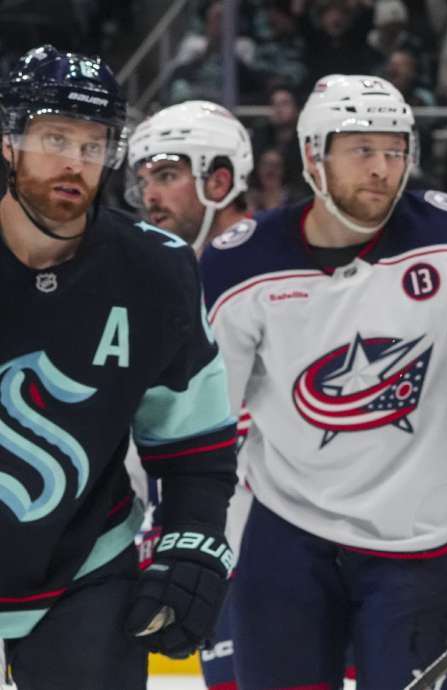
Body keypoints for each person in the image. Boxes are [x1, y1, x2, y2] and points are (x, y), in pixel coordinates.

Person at [201, 73, 447, 689]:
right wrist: (190, 529)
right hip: (288, 537)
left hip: (420, 546)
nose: (383, 168)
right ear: (314, 155)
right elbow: (203, 423)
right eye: (362, 150)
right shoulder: (240, 264)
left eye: (395, 150)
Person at [0, 44, 237, 687]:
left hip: (85, 566)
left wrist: (193, 541)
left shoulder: (154, 270)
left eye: (94, 144)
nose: (75, 162)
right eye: (54, 137)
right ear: (9, 140)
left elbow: (195, 445)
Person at [125, 98, 256, 690]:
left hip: (286, 545)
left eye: (168, 174)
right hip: (204, 540)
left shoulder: (274, 277)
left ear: (220, 179)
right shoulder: (148, 282)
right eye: (145, 177)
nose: (151, 193)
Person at [127, 100, 255, 251]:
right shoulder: (166, 267)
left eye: (167, 176)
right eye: (143, 182)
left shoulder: (274, 261)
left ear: (218, 183)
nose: (149, 197)